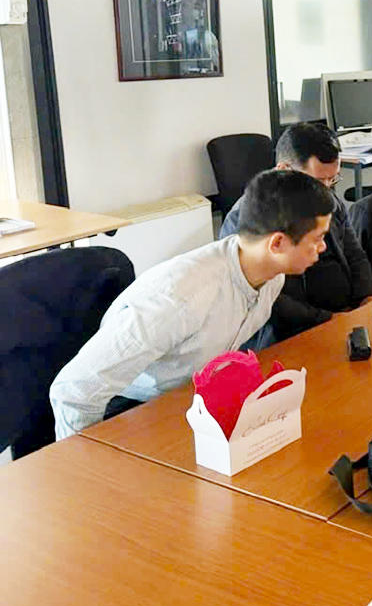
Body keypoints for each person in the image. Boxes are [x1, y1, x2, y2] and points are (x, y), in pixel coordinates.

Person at [50, 170, 335, 438]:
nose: (323, 247)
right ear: (277, 244)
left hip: (188, 400)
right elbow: (73, 390)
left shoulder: (271, 276)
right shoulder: (181, 297)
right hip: (131, 411)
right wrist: (86, 466)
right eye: (318, 238)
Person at [219, 122, 372, 343]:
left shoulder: (329, 201)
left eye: (332, 179)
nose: (327, 189)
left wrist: (367, 297)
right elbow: (268, 299)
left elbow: (354, 254)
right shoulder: (246, 220)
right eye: (318, 181)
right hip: (291, 333)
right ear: (284, 170)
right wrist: (326, 319)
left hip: (345, 318)